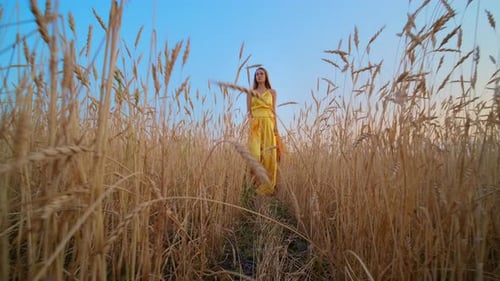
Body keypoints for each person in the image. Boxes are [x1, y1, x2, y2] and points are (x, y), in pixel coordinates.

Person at [247, 67, 280, 195]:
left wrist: (276, 127)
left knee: (268, 155)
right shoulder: (250, 92)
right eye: (256, 74)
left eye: (261, 73)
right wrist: (249, 126)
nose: (259, 76)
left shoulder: (272, 92)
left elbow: (273, 110)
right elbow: (249, 112)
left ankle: (267, 187)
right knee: (254, 154)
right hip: (255, 124)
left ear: (266, 76)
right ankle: (254, 183)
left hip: (268, 122)